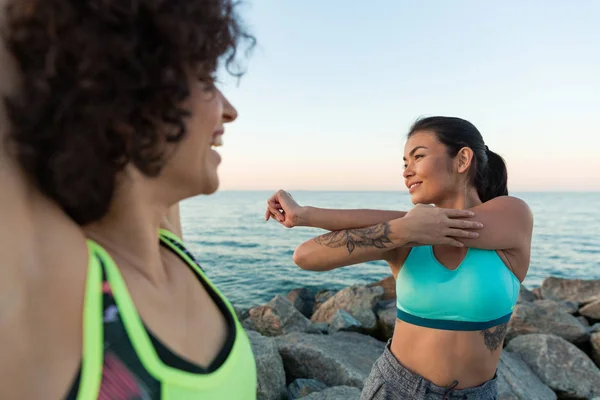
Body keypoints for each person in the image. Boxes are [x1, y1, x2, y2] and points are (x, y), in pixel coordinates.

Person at [0, 0, 256, 398]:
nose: (230, 111)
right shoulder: (62, 290)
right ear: (131, 100)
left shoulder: (170, 244)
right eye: (206, 81)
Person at [266, 116, 533, 400]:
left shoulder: (512, 214)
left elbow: (442, 224)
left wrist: (309, 215)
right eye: (404, 163)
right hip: (395, 388)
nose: (407, 172)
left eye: (418, 157)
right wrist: (399, 230)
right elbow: (305, 256)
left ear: (463, 159)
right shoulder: (403, 237)